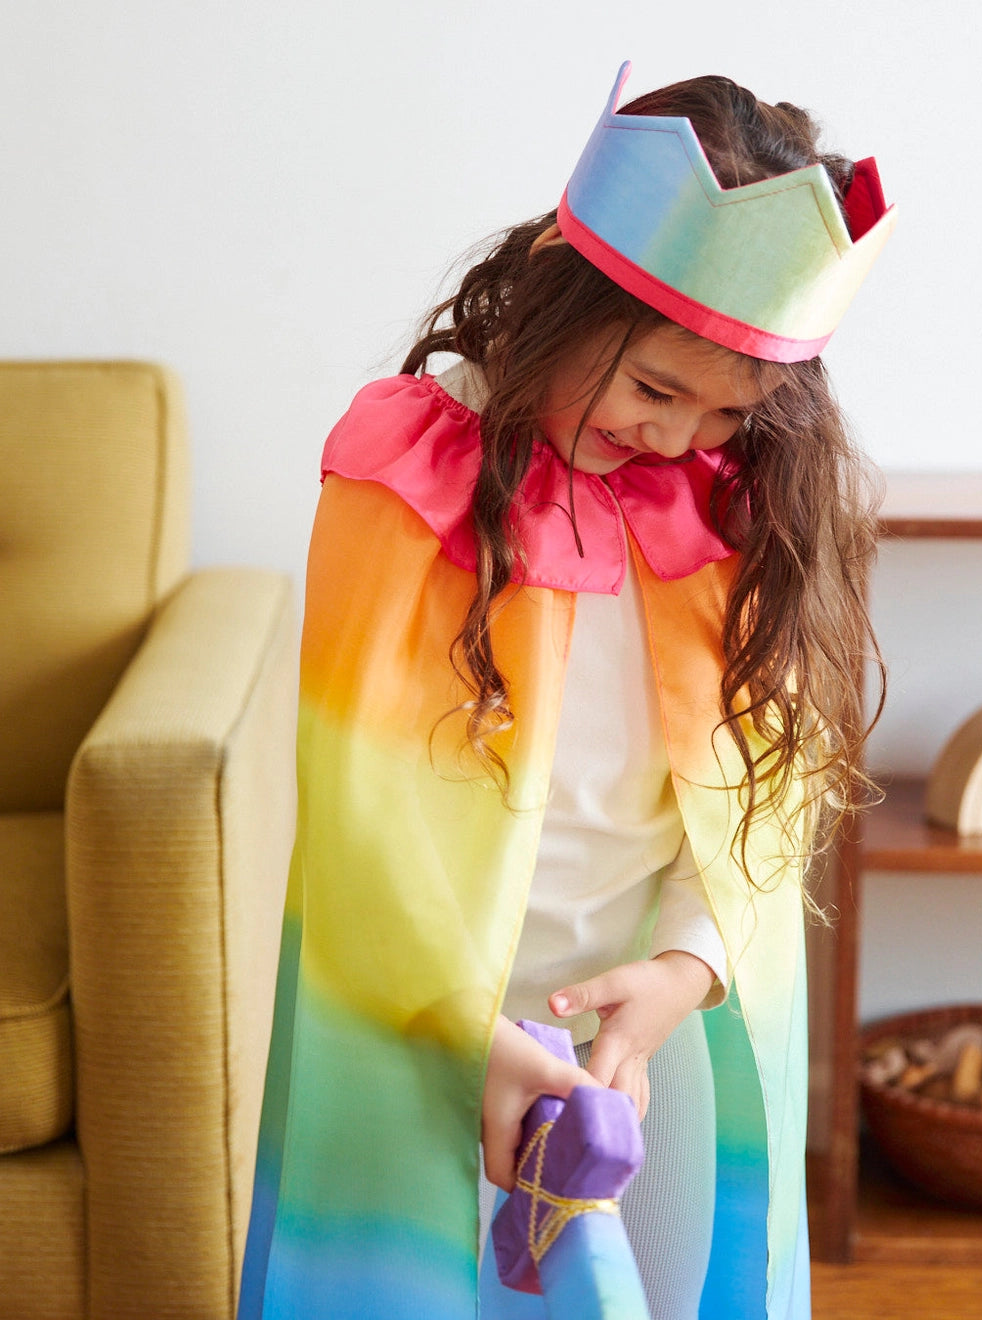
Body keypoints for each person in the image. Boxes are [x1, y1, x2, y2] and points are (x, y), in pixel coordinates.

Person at [237, 62, 895, 1320]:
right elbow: (359, 822)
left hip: (647, 1036)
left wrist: (680, 977)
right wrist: (472, 1035)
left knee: (659, 1291)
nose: (677, 437)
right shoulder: (408, 477)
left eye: (727, 410)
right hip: (419, 1022)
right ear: (558, 289)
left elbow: (763, 788)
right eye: (654, 388)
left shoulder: (730, 506)